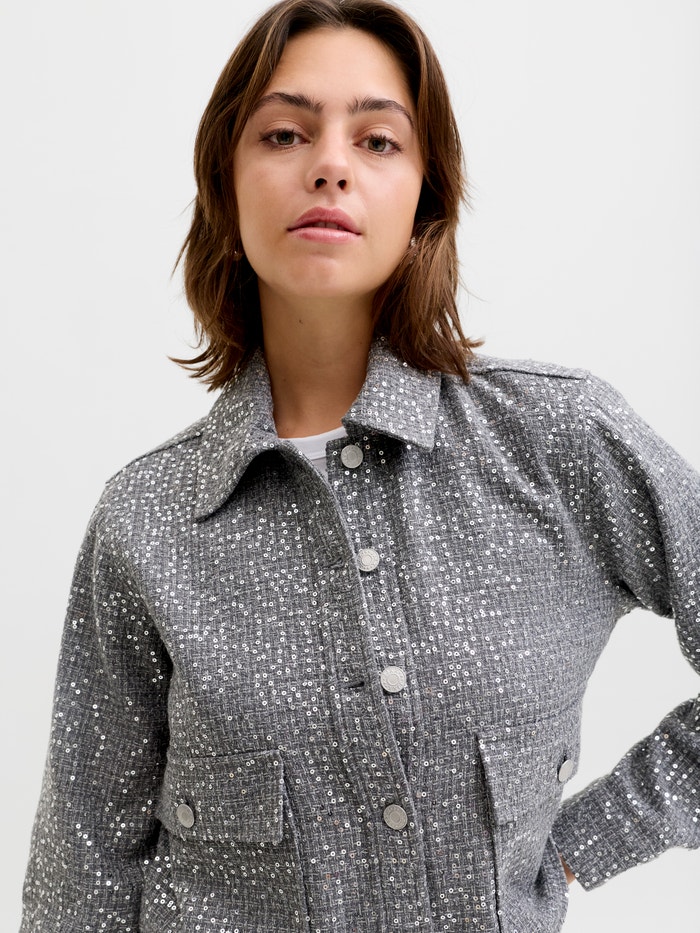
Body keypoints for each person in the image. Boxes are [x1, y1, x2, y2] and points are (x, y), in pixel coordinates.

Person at [20, 0, 699, 930]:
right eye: (284, 134)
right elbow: (82, 869)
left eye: (378, 141)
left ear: (427, 195)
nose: (330, 165)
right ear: (226, 185)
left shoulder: (559, 440)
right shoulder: (146, 518)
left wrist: (587, 840)